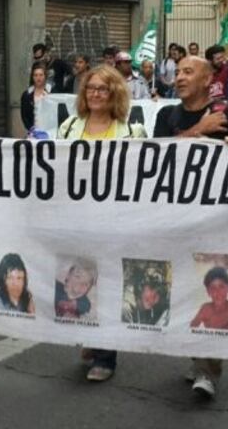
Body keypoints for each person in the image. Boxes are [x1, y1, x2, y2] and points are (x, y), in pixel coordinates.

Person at [153, 55, 228, 399]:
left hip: (215, 220)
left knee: (213, 290)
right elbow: (156, 156)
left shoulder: (227, 114)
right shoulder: (167, 116)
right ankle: (198, 357)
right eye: (177, 72)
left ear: (209, 80)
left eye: (188, 72)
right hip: (175, 218)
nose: (179, 77)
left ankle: (209, 370)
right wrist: (198, 132)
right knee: (181, 290)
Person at [57, 65, 147, 382]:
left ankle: (106, 356)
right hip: (78, 218)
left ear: (115, 94)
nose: (95, 94)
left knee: (108, 283)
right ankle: (93, 339)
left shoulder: (131, 131)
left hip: (113, 220)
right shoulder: (69, 127)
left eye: (102, 89)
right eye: (90, 88)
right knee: (83, 280)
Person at [189, 266, 228, 331]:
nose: (217, 292)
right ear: (208, 292)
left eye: (221, 286)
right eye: (213, 288)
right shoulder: (206, 310)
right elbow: (190, 329)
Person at [19, 62, 51, 133]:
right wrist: (31, 129)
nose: (38, 78)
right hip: (33, 132)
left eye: (41, 75)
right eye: (35, 75)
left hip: (50, 131)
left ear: (45, 76)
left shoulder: (51, 92)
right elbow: (24, 116)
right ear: (32, 77)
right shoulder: (26, 95)